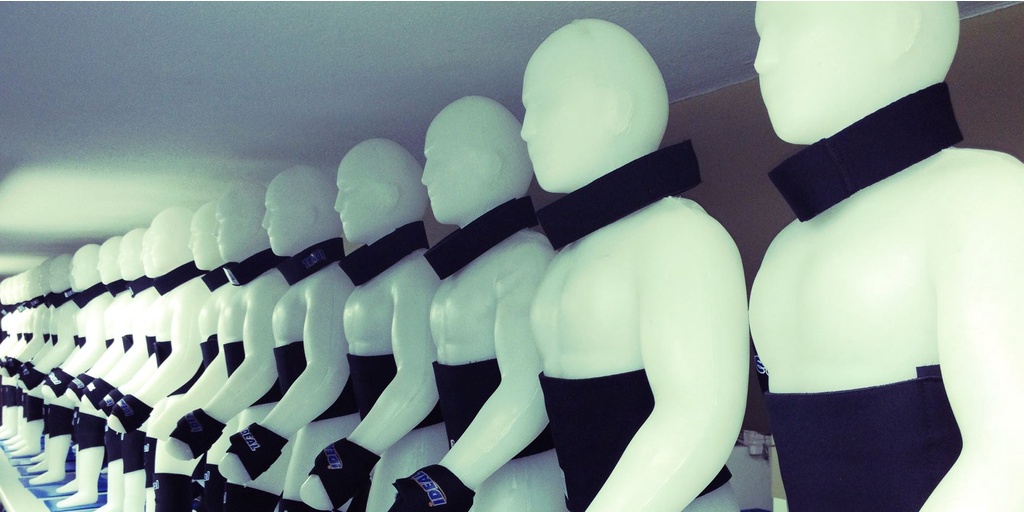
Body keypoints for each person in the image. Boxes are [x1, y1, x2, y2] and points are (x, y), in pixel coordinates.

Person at [749, 3, 1024, 510]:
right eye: (761, 34)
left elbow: (1011, 454)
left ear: (898, 26)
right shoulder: (781, 251)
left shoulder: (985, 195)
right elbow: (790, 466)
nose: (762, 59)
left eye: (791, 23)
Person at [523, 19, 747, 512]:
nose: (527, 129)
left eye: (543, 105)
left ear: (616, 109)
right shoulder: (561, 260)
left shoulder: (680, 236)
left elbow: (698, 415)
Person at [387, 95, 565, 511]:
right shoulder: (458, 270)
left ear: (488, 164)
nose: (425, 177)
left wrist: (443, 482)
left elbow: (528, 388)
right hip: (473, 470)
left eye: (437, 159)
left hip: (522, 482)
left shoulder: (526, 259)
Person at [301, 139, 444, 512]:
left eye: (347, 192)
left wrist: (355, 453)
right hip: (381, 437)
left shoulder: (415, 276)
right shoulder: (372, 281)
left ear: (387, 196)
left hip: (414, 442)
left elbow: (419, 380)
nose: (337, 206)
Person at [215, 166, 360, 512]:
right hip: (305, 424)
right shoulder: (304, 287)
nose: (266, 224)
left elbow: (326, 373)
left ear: (309, 215)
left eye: (273, 212)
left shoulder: (329, 285)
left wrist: (264, 435)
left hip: (327, 425)